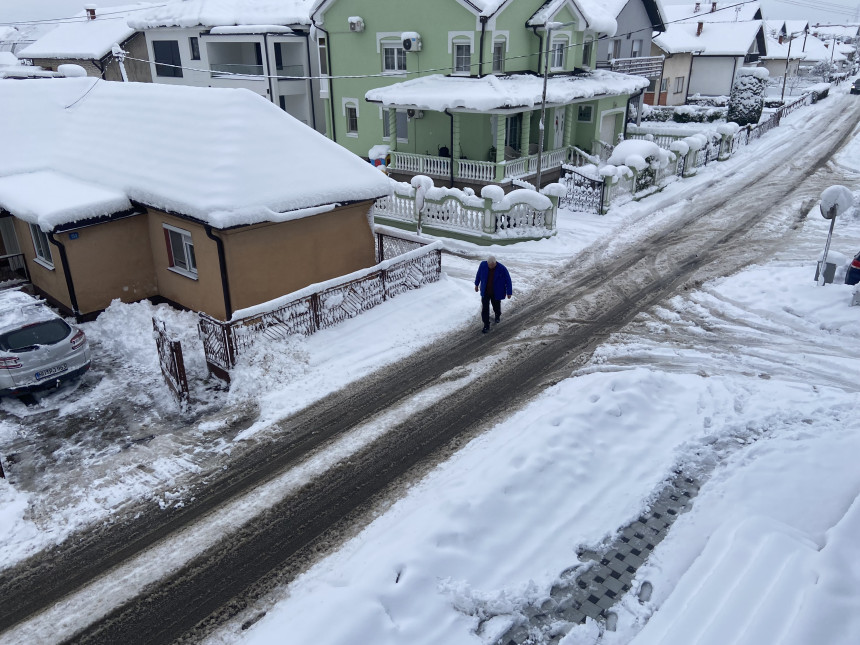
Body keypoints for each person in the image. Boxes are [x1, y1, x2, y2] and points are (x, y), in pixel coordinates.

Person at [474, 255, 512, 333]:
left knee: (496, 306)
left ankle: (497, 315)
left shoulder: (502, 268)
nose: (490, 267)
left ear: (495, 263)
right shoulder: (483, 265)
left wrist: (509, 292)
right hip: (485, 291)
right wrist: (476, 284)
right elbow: (478, 274)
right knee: (485, 308)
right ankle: (486, 325)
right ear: (487, 263)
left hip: (496, 292)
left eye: (492, 265)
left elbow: (508, 280)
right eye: (489, 265)